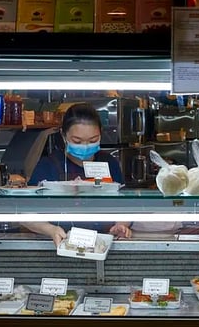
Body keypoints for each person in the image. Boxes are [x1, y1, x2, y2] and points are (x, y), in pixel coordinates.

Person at [22, 103, 132, 246]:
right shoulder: (48, 165)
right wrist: (50, 230)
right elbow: (25, 214)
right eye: (77, 141)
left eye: (93, 140)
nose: (85, 146)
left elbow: (125, 205)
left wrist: (121, 225)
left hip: (104, 244)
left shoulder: (109, 162)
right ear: (63, 135)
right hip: (61, 244)